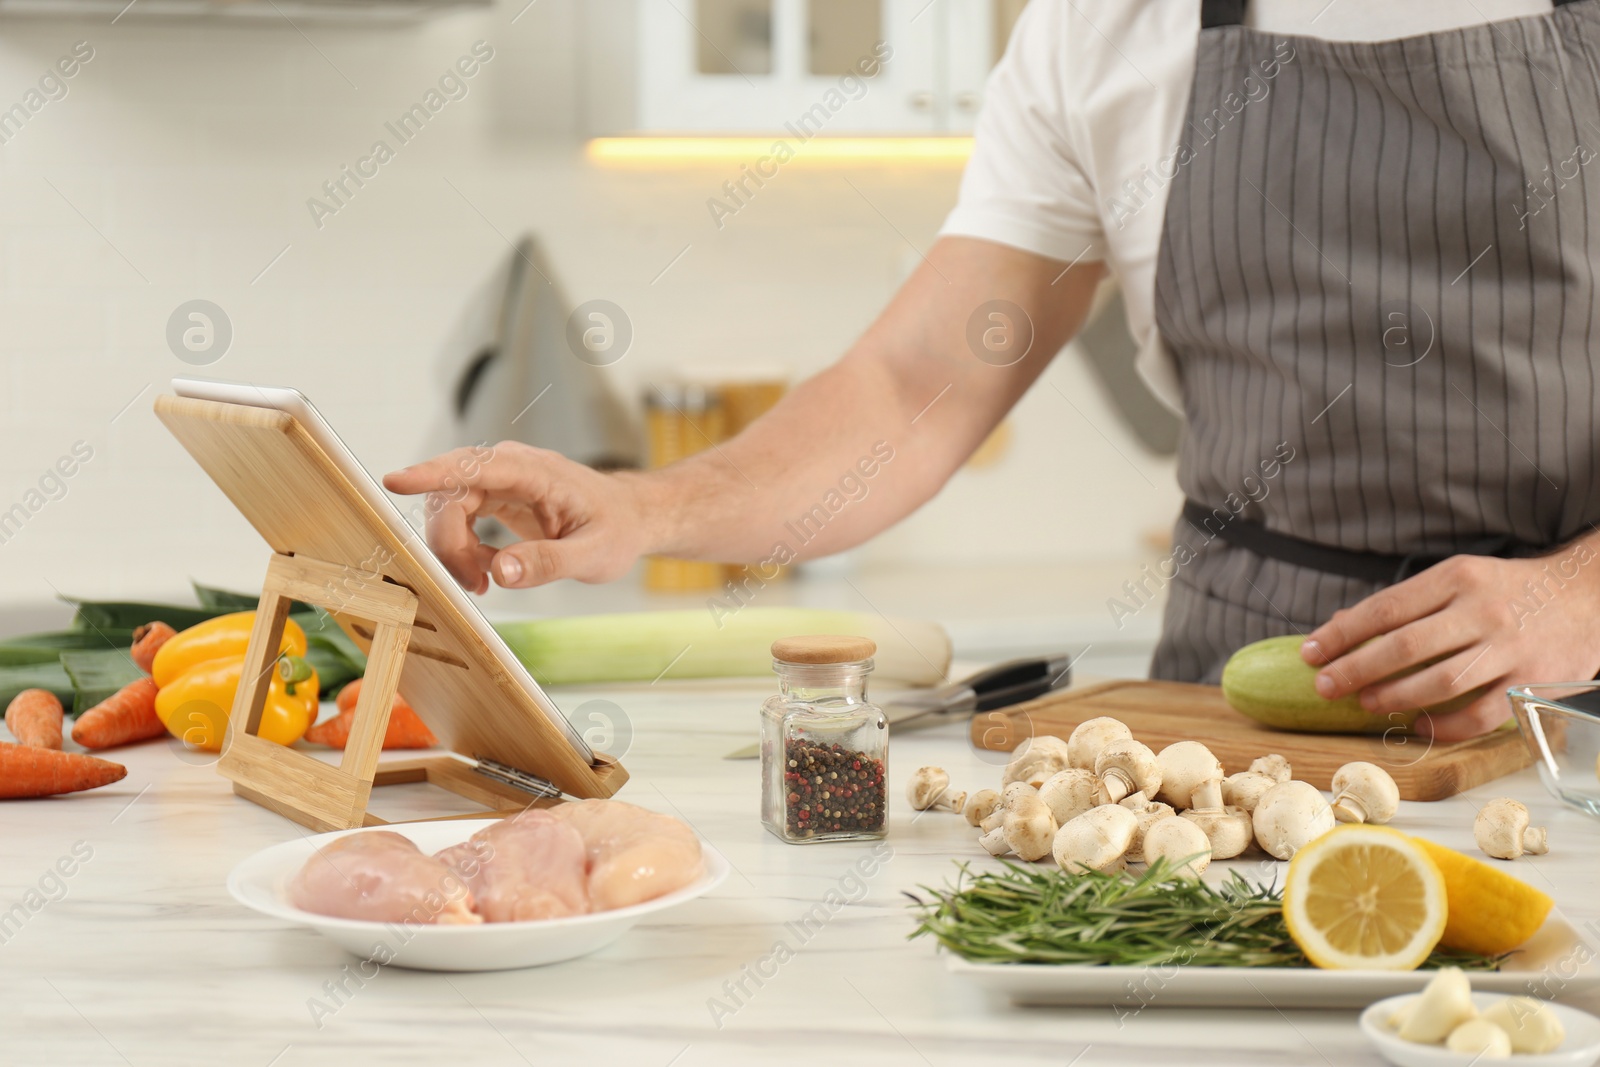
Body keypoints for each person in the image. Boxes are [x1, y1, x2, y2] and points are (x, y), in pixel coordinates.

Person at [386, 0, 1600, 743]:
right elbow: (919, 382)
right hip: (1230, 728)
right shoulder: (1105, 22)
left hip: (1576, 724)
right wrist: (652, 505)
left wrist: (1571, 597)